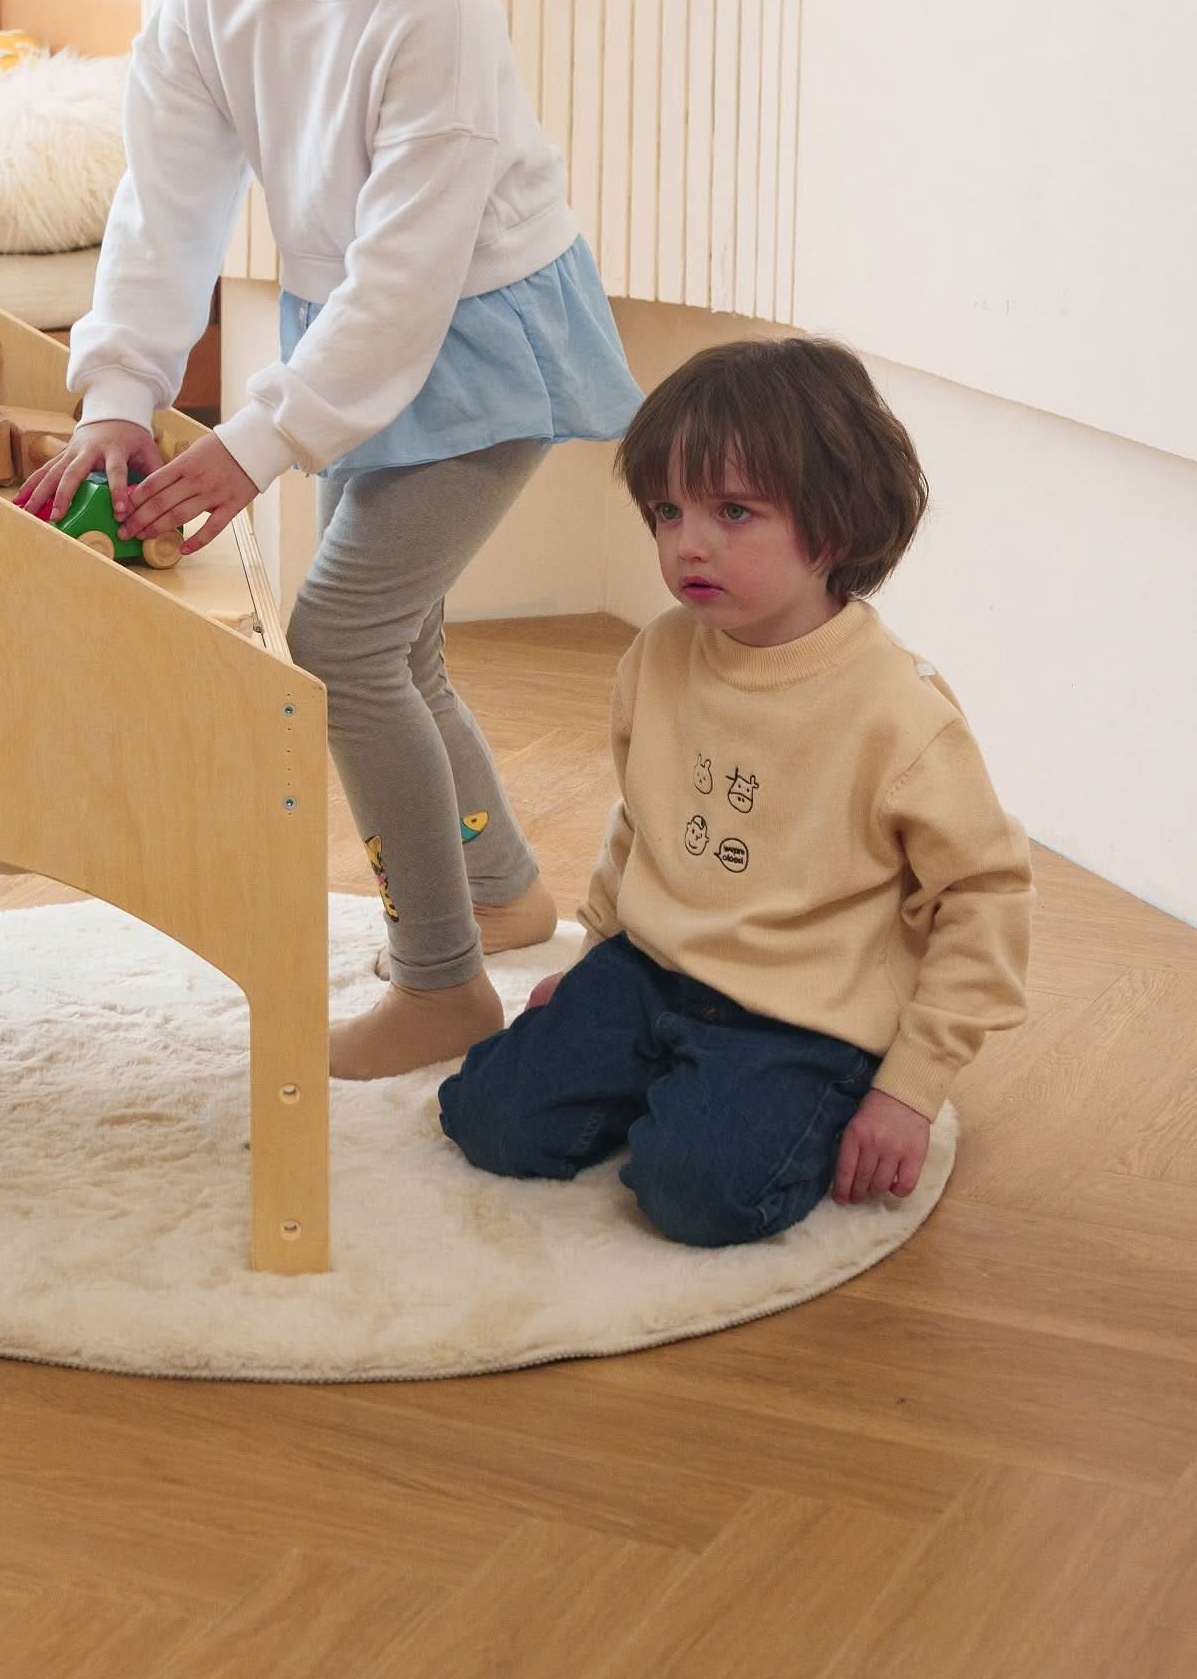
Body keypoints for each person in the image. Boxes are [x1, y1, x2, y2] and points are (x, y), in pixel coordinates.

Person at [22, 0, 638, 1079]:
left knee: (339, 639)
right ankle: (496, 896)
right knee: (393, 637)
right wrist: (120, 389)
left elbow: (412, 278)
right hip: (355, 326)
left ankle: (439, 983)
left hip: (479, 337)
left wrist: (256, 442)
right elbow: (163, 210)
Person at [436, 337, 1032, 1243]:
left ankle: (774, 1105)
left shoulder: (901, 716)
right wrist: (595, 956)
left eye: (734, 511)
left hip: (802, 1018)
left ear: (833, 528)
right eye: (668, 511)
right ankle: (669, 1081)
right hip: (649, 972)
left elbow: (982, 900)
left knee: (696, 1193)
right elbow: (642, 821)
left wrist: (908, 1090)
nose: (689, 542)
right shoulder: (661, 654)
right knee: (486, 1119)